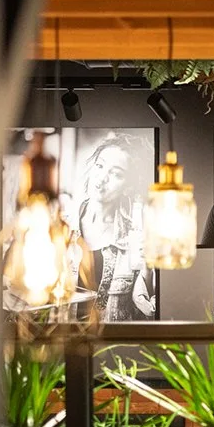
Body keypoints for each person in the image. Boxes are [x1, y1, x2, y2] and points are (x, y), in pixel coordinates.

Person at [72, 134, 154, 321]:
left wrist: (148, 269)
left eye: (116, 174)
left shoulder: (135, 236)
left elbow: (146, 308)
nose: (102, 179)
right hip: (60, 336)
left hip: (113, 339)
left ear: (128, 186)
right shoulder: (58, 227)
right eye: (100, 166)